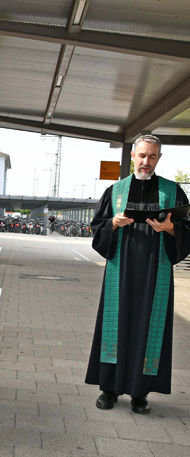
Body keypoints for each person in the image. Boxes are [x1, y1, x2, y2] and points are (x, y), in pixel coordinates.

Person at [87, 135, 190, 414]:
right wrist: (113, 223)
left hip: (155, 273)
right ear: (133, 155)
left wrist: (170, 229)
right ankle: (109, 389)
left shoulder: (172, 191)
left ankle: (140, 393)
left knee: (148, 327)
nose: (146, 162)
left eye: (152, 156)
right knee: (116, 325)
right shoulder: (115, 190)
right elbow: (97, 229)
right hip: (120, 271)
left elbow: (186, 230)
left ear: (158, 158)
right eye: (142, 155)